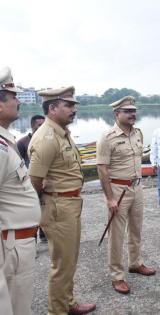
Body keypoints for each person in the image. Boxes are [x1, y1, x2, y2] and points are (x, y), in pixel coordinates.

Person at [28, 86, 96, 315]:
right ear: (52, 108)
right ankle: (56, 311)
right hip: (58, 207)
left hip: (69, 204)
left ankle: (68, 303)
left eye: (74, 105)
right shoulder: (46, 138)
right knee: (61, 264)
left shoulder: (62, 133)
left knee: (69, 260)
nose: (74, 109)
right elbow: (34, 182)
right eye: (68, 105)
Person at [97, 96, 156, 295]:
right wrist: (110, 198)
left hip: (137, 188)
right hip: (118, 191)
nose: (133, 114)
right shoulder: (107, 137)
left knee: (136, 230)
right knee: (116, 235)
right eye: (128, 111)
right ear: (117, 114)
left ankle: (135, 263)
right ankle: (117, 276)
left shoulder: (138, 133)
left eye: (134, 110)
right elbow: (102, 169)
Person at [0, 66, 41, 315]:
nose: (18, 101)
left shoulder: (6, 140)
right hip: (11, 244)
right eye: (13, 96)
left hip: (19, 240)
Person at [17, 114, 47, 242]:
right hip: (30, 182)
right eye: (39, 125)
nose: (42, 127)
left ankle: (44, 234)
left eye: (44, 125)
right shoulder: (22, 142)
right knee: (32, 211)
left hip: (46, 181)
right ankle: (32, 239)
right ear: (32, 126)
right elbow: (17, 163)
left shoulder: (48, 140)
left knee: (45, 208)